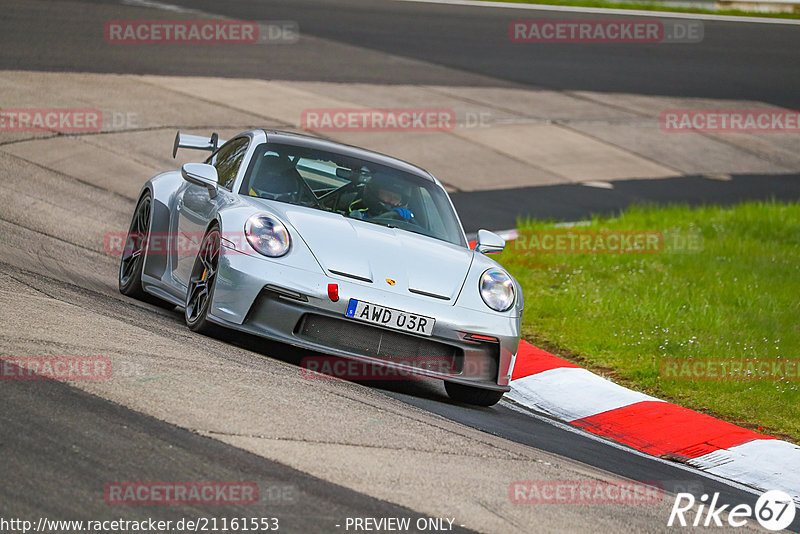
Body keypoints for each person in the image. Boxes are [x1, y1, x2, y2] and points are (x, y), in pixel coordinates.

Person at [348, 174, 415, 222]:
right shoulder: (358, 217)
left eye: (396, 198)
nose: (391, 200)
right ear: (375, 194)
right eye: (388, 195)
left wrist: (409, 221)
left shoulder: (406, 224)